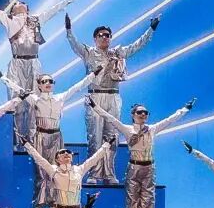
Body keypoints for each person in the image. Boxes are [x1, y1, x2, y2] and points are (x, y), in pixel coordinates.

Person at [0, 0, 85, 138]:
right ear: (12, 10)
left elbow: (55, 9)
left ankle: (31, 140)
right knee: (16, 101)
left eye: (22, 2)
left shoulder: (36, 20)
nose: (19, 3)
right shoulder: (8, 19)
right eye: (16, 3)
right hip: (16, 64)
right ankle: (17, 139)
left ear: (28, 9)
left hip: (33, 63)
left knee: (34, 101)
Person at [65, 14, 159, 183]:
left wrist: (151, 29)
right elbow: (74, 44)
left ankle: (109, 173)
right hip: (95, 96)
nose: (104, 37)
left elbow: (137, 46)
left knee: (112, 136)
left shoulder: (117, 53)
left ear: (110, 37)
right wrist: (69, 29)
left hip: (113, 96)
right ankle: (94, 173)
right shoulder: (88, 52)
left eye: (107, 35)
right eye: (100, 35)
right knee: (95, 136)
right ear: (95, 38)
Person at [88, 97, 194, 208]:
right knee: (132, 205)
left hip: (149, 168)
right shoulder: (128, 129)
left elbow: (170, 120)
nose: (143, 114)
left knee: (147, 205)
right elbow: (110, 118)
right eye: (140, 112)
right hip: (134, 168)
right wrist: (95, 106)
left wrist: (185, 109)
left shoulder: (152, 129)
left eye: (145, 112)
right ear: (133, 115)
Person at [0, 66, 98, 207]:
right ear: (39, 85)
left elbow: (78, 86)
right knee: (41, 170)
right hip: (41, 136)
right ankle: (41, 200)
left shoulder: (60, 98)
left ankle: (55, 199)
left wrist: (93, 74)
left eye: (50, 81)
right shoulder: (35, 99)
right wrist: (3, 78)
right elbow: (18, 89)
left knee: (58, 168)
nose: (48, 83)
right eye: (44, 81)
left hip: (56, 136)